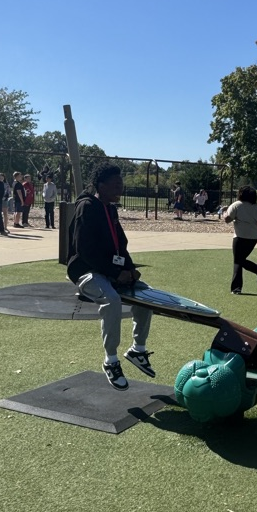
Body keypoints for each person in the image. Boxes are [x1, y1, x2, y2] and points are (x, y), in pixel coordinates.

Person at [67, 163, 154, 391]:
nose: (120, 188)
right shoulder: (87, 207)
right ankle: (111, 360)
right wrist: (116, 273)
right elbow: (85, 250)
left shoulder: (111, 209)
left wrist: (130, 269)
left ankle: (138, 349)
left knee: (147, 295)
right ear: (101, 185)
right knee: (112, 301)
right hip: (86, 271)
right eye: (115, 184)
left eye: (121, 184)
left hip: (109, 270)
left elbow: (121, 246)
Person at [223, 185, 257, 294]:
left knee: (238, 261)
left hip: (240, 236)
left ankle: (237, 288)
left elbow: (227, 219)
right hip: (253, 238)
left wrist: (224, 212)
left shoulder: (236, 205)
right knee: (241, 260)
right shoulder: (256, 207)